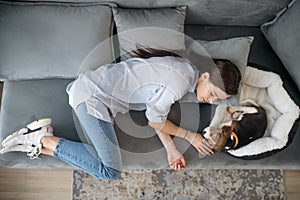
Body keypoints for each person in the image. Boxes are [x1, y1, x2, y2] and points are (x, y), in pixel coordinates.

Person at [0, 47, 241, 179]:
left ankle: (40, 144)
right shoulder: (181, 80)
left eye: (216, 100)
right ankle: (42, 139)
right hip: (93, 97)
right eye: (213, 94)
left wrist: (170, 149)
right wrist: (190, 136)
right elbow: (154, 120)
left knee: (107, 165)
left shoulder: (184, 71)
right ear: (206, 76)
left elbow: (155, 116)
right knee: (110, 170)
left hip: (95, 97)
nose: (209, 100)